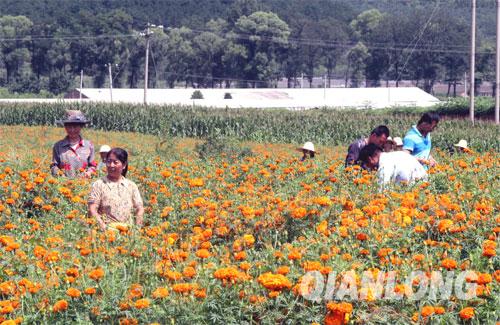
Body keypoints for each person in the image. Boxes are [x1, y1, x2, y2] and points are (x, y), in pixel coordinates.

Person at [88, 148, 144, 231]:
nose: (111, 165)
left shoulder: (131, 186)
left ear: (124, 165)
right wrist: (103, 227)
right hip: (105, 233)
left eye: (115, 162)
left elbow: (139, 208)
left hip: (127, 232)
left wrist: (137, 228)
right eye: (109, 161)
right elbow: (92, 209)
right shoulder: (99, 184)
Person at [51, 110, 97, 178]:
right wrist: (60, 175)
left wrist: (89, 172)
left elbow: (93, 165)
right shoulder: (58, 146)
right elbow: (54, 166)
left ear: (81, 127)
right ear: (65, 127)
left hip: (83, 185)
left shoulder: (89, 146)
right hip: (63, 185)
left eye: (75, 127)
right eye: (69, 127)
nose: (72, 130)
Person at [358, 144, 427, 187]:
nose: (370, 169)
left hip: (414, 193)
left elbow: (382, 190)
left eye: (368, 165)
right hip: (425, 185)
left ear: (370, 159)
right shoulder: (397, 154)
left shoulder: (384, 165)